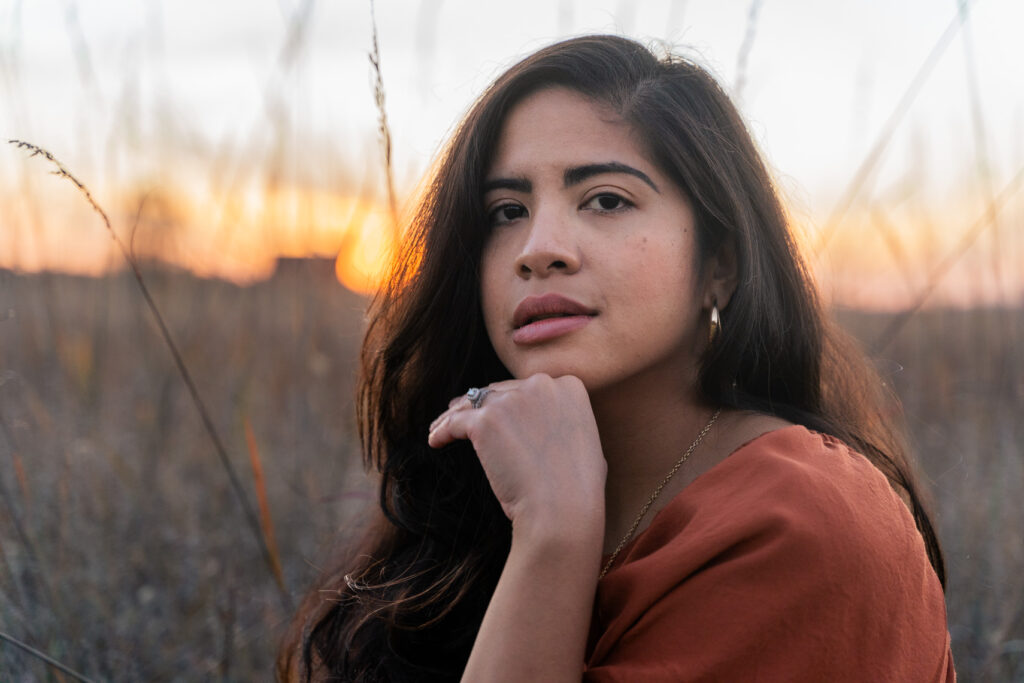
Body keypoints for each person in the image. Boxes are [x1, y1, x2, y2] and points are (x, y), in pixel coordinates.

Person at [279, 35, 955, 681]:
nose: (538, 247)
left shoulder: (803, 520)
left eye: (606, 199)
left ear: (719, 265)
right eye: (505, 212)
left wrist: (553, 536)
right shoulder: (482, 488)